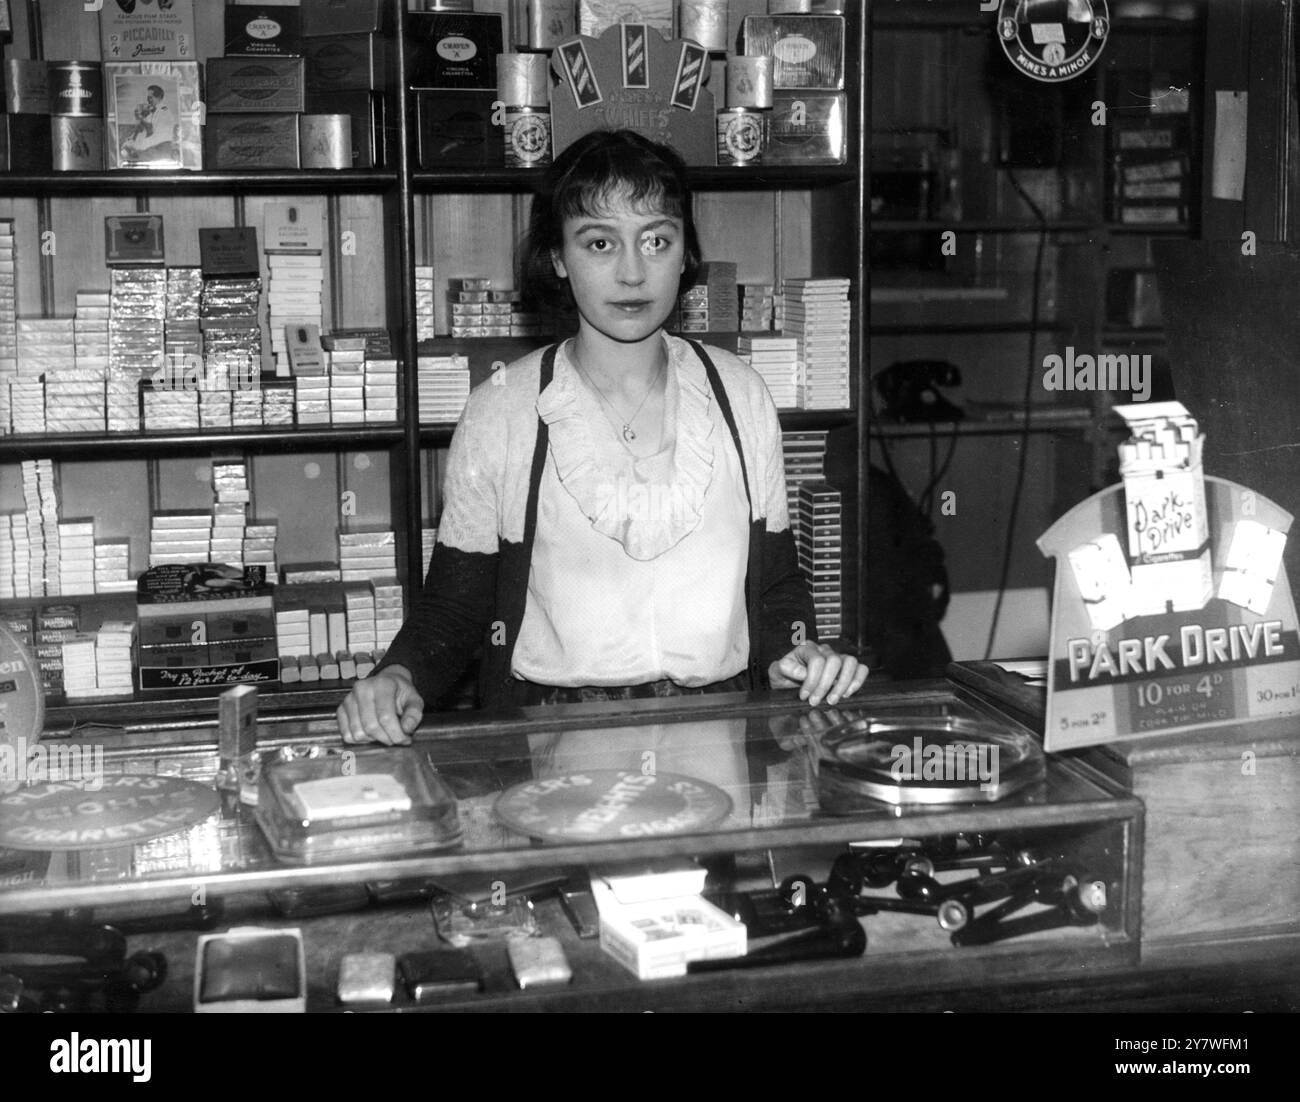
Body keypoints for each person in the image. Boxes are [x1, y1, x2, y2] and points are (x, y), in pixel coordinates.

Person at [337, 129, 868, 745]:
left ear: (684, 253)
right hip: (554, 739)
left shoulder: (740, 395)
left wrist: (797, 657)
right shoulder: (502, 411)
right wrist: (399, 676)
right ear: (558, 258)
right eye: (599, 243)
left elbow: (776, 586)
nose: (633, 272)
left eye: (657, 240)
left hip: (720, 731)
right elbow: (454, 608)